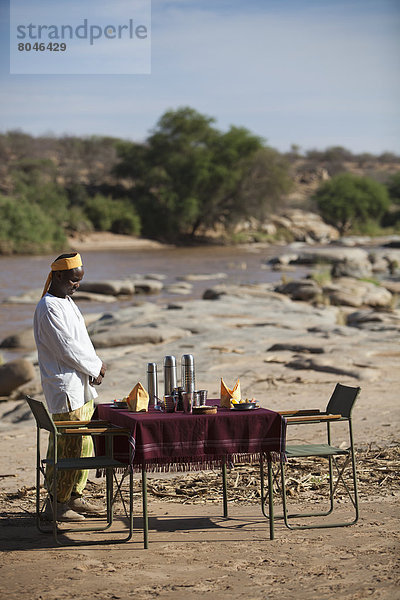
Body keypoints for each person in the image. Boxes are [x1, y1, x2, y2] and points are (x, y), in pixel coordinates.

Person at [33, 252, 107, 522]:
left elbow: (82, 343)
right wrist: (94, 367)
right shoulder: (49, 307)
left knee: (83, 444)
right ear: (59, 276)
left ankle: (74, 496)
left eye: (80, 281)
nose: (77, 285)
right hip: (65, 389)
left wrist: (95, 367)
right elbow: (66, 349)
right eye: (73, 280)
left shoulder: (66, 302)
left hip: (81, 385)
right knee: (69, 447)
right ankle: (57, 503)